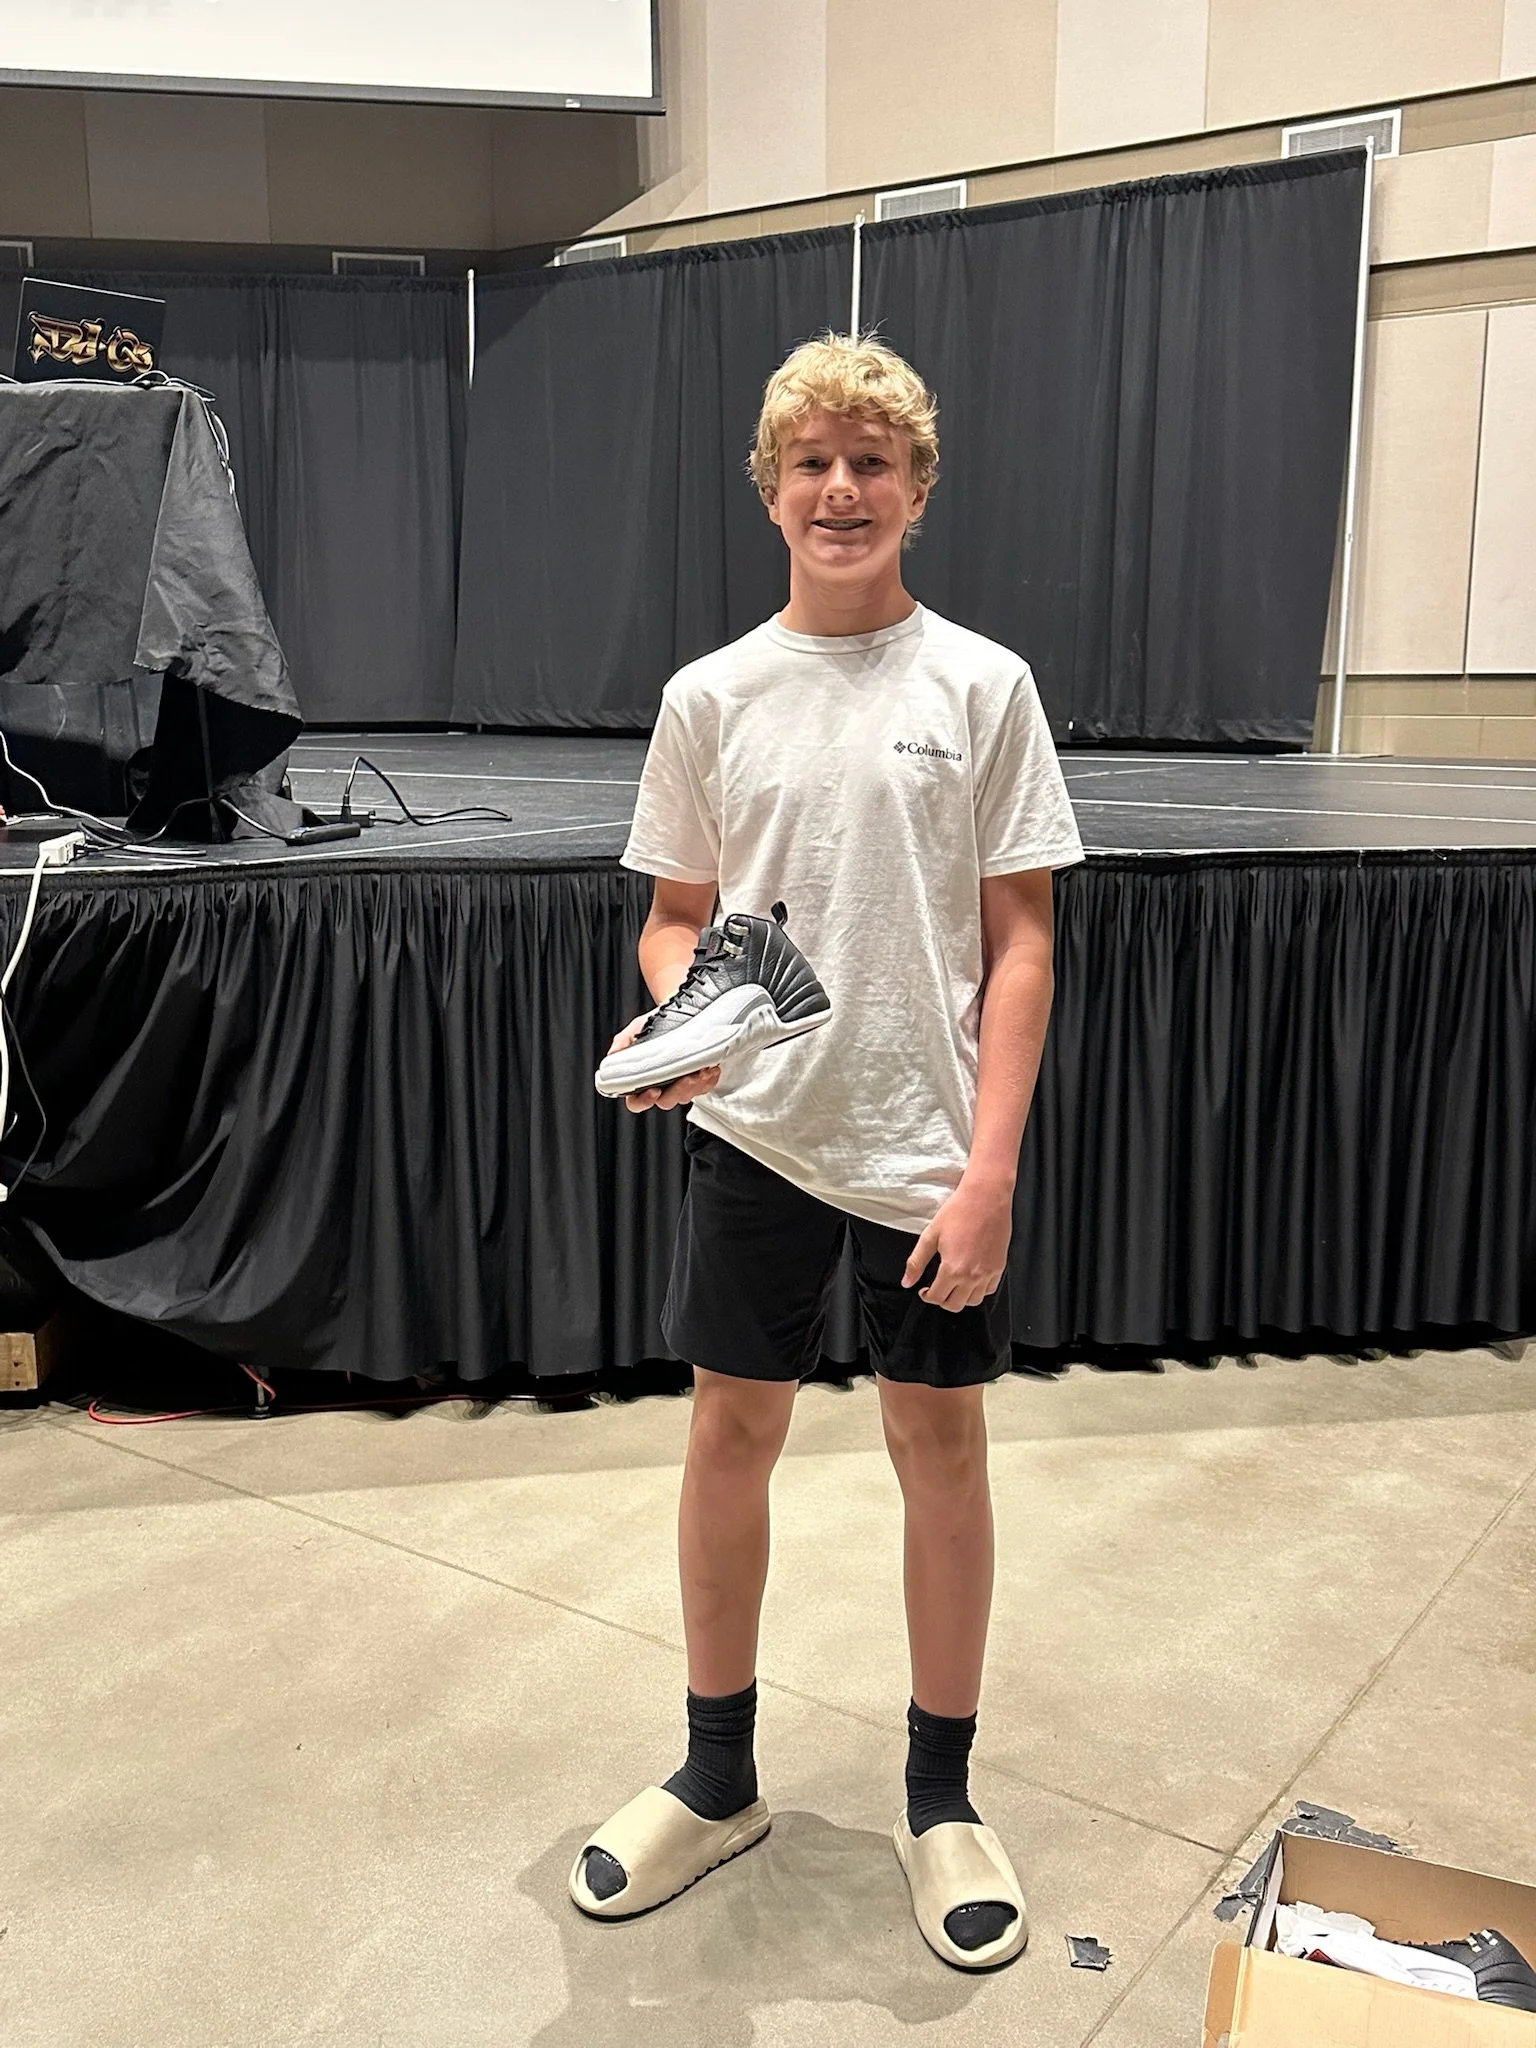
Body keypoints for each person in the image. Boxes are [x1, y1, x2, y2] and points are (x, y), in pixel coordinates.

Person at [569, 333, 1084, 1970]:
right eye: (813, 462)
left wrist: (991, 1168)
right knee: (730, 1438)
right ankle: (719, 1778)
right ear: (771, 489)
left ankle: (941, 1800)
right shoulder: (709, 697)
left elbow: (1022, 949)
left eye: (873, 461)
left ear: (918, 491)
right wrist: (684, 1033)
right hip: (758, 1147)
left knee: (942, 1455)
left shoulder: (983, 686)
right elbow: (670, 926)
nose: (841, 488)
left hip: (928, 1153)